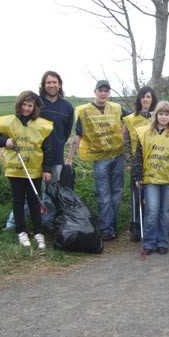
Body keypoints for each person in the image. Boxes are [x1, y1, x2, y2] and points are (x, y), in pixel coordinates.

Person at [2, 71, 74, 231]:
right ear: (44, 85)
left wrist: (59, 143)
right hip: (32, 155)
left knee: (50, 191)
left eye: (55, 82)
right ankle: (13, 222)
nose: (52, 85)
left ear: (60, 84)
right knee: (27, 192)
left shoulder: (67, 107)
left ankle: (45, 222)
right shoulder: (36, 102)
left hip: (55, 156)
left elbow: (67, 131)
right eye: (48, 82)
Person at [0, 91, 53, 249]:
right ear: (19, 105)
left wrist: (47, 169)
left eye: (30, 105)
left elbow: (47, 148)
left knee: (34, 200)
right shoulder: (9, 122)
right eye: (24, 105)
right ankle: (21, 231)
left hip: (35, 169)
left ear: (35, 107)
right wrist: (5, 141)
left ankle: (38, 232)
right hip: (15, 168)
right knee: (18, 200)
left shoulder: (42, 125)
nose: (26, 108)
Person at [66, 79, 125, 241]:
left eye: (106, 91)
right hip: (100, 160)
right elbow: (78, 135)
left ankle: (112, 226)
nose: (103, 93)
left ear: (109, 93)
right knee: (104, 195)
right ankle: (106, 229)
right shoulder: (84, 111)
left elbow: (132, 119)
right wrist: (70, 158)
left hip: (117, 156)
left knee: (117, 193)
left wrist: (124, 132)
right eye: (101, 90)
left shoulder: (116, 108)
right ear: (95, 91)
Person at [132, 101, 169, 255]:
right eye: (161, 114)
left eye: (167, 114)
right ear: (156, 115)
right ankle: (149, 243)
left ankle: (162, 242)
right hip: (150, 178)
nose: (164, 117)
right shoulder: (144, 133)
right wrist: (138, 175)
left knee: (164, 212)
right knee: (152, 211)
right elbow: (138, 155)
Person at [123, 86, 158, 242]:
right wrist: (129, 162)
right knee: (136, 197)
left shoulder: (158, 118)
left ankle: (150, 227)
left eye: (148, 97)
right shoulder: (130, 119)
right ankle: (136, 226)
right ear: (139, 99)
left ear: (152, 100)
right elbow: (126, 142)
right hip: (137, 164)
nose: (145, 99)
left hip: (154, 163)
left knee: (152, 198)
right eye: (143, 97)